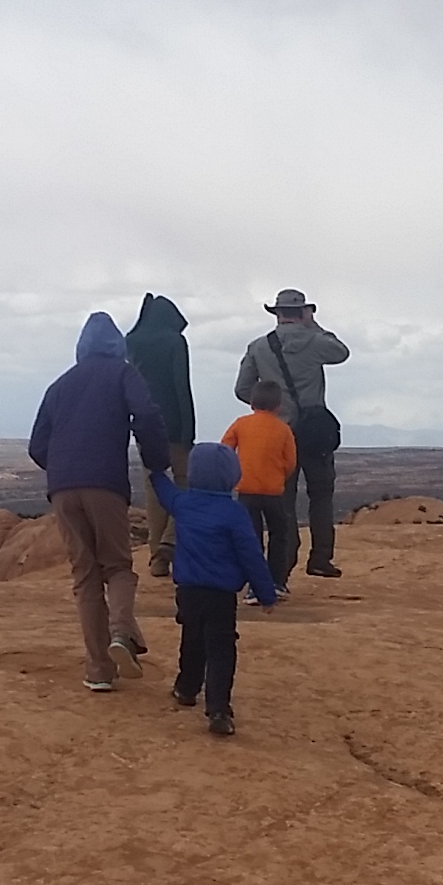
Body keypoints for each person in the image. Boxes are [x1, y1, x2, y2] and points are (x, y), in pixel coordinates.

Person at [28, 312, 171, 693]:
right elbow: (146, 414)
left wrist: (62, 468)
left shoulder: (59, 385)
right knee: (118, 566)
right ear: (117, 345)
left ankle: (98, 670)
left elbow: (36, 445)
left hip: (62, 488)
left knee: (85, 576)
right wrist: (157, 461)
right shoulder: (122, 373)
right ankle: (122, 634)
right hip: (104, 484)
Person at [147, 441, 281, 735]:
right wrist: (266, 593)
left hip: (189, 591)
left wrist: (155, 470)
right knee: (221, 650)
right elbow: (251, 556)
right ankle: (218, 709)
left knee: (192, 640)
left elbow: (164, 491)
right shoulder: (234, 513)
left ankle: (186, 688)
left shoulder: (183, 504)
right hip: (221, 595)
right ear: (232, 475)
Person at [232, 288, 350, 578]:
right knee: (321, 495)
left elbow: (242, 389)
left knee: (282, 500)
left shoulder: (259, 346)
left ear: (277, 313)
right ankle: (320, 558)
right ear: (303, 313)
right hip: (314, 431)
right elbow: (342, 352)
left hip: (276, 431)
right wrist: (315, 325)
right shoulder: (316, 341)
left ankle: (283, 562)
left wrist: (270, 408)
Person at [124, 294, 196, 580]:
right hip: (174, 425)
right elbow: (182, 386)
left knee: (154, 488)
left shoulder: (133, 342)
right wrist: (189, 428)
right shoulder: (174, 342)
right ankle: (170, 541)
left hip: (144, 425)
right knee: (186, 484)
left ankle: (157, 560)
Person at [221, 381, 303, 586]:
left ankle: (254, 585)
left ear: (251, 404)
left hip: (246, 491)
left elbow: (224, 450)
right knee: (279, 537)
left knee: (251, 540)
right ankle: (276, 582)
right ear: (279, 405)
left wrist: (234, 475)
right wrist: (278, 475)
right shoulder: (283, 429)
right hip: (273, 492)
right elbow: (291, 461)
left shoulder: (240, 423)